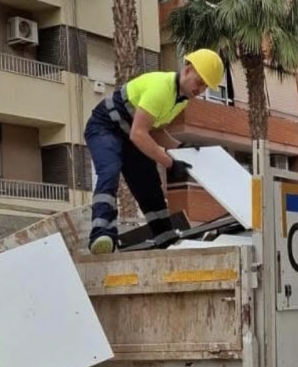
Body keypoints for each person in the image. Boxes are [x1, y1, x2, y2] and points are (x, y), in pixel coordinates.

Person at [85, 48, 225, 255]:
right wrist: (170, 162)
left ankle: (164, 236)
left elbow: (156, 129)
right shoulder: (162, 89)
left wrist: (178, 148)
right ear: (187, 70)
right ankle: (102, 233)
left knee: (148, 182)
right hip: (105, 126)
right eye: (200, 81)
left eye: (206, 86)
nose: (201, 89)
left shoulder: (180, 100)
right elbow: (139, 134)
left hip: (129, 133)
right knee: (109, 171)